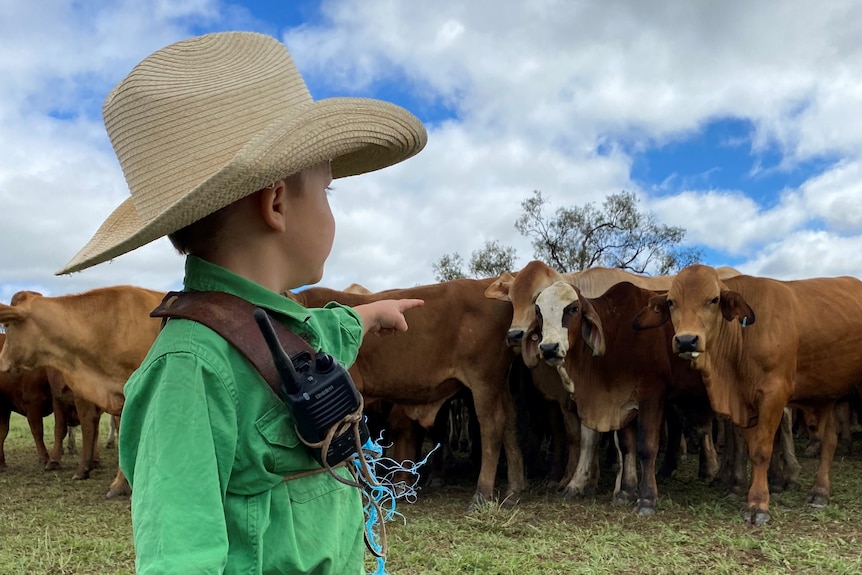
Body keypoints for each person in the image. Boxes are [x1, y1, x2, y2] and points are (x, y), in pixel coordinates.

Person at [57, 31, 427, 574]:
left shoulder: (284, 327)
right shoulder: (188, 369)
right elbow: (180, 558)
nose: (330, 208)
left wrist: (367, 316)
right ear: (277, 203)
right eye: (327, 191)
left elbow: (323, 331)